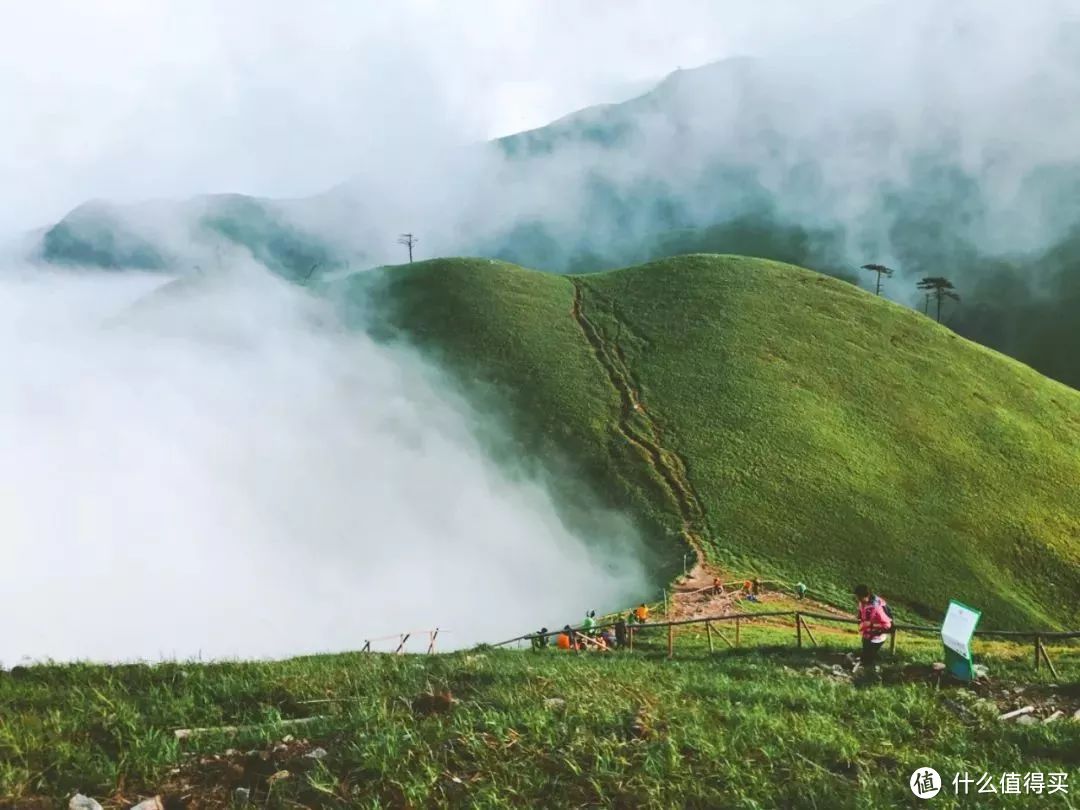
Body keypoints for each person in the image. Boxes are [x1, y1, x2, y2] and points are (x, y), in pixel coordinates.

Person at [853, 584, 893, 674]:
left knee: (868, 659)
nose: (858, 600)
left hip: (877, 638)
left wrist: (871, 624)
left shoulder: (877, 607)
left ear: (866, 596)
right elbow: (862, 612)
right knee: (865, 656)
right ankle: (867, 671)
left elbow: (887, 625)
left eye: (859, 598)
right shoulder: (863, 603)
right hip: (867, 635)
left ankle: (871, 675)